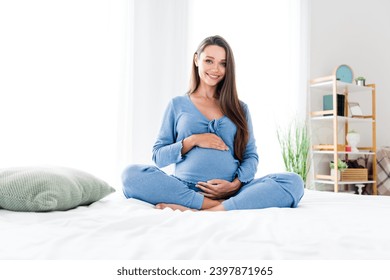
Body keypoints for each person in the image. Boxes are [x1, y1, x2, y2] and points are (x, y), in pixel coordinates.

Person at [122, 35, 304, 211]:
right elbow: (158, 157)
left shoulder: (240, 108)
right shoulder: (177, 105)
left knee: (293, 182)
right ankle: (210, 205)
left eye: (223, 64)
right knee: (130, 175)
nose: (216, 69)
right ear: (196, 60)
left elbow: (250, 156)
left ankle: (205, 208)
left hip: (232, 192)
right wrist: (192, 140)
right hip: (185, 189)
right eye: (209, 61)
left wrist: (235, 185)